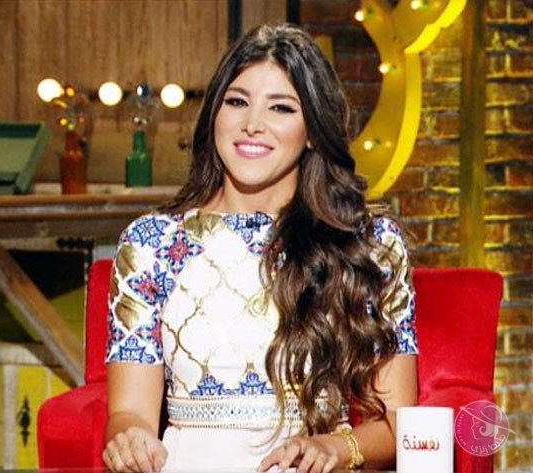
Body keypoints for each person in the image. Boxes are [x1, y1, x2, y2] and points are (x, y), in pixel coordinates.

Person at [102, 23, 418, 473]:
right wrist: (129, 440)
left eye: (281, 108)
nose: (253, 124)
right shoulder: (151, 243)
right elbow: (129, 412)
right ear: (214, 114)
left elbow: (399, 424)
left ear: (313, 130)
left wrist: (335, 448)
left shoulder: (369, 245)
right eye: (237, 102)